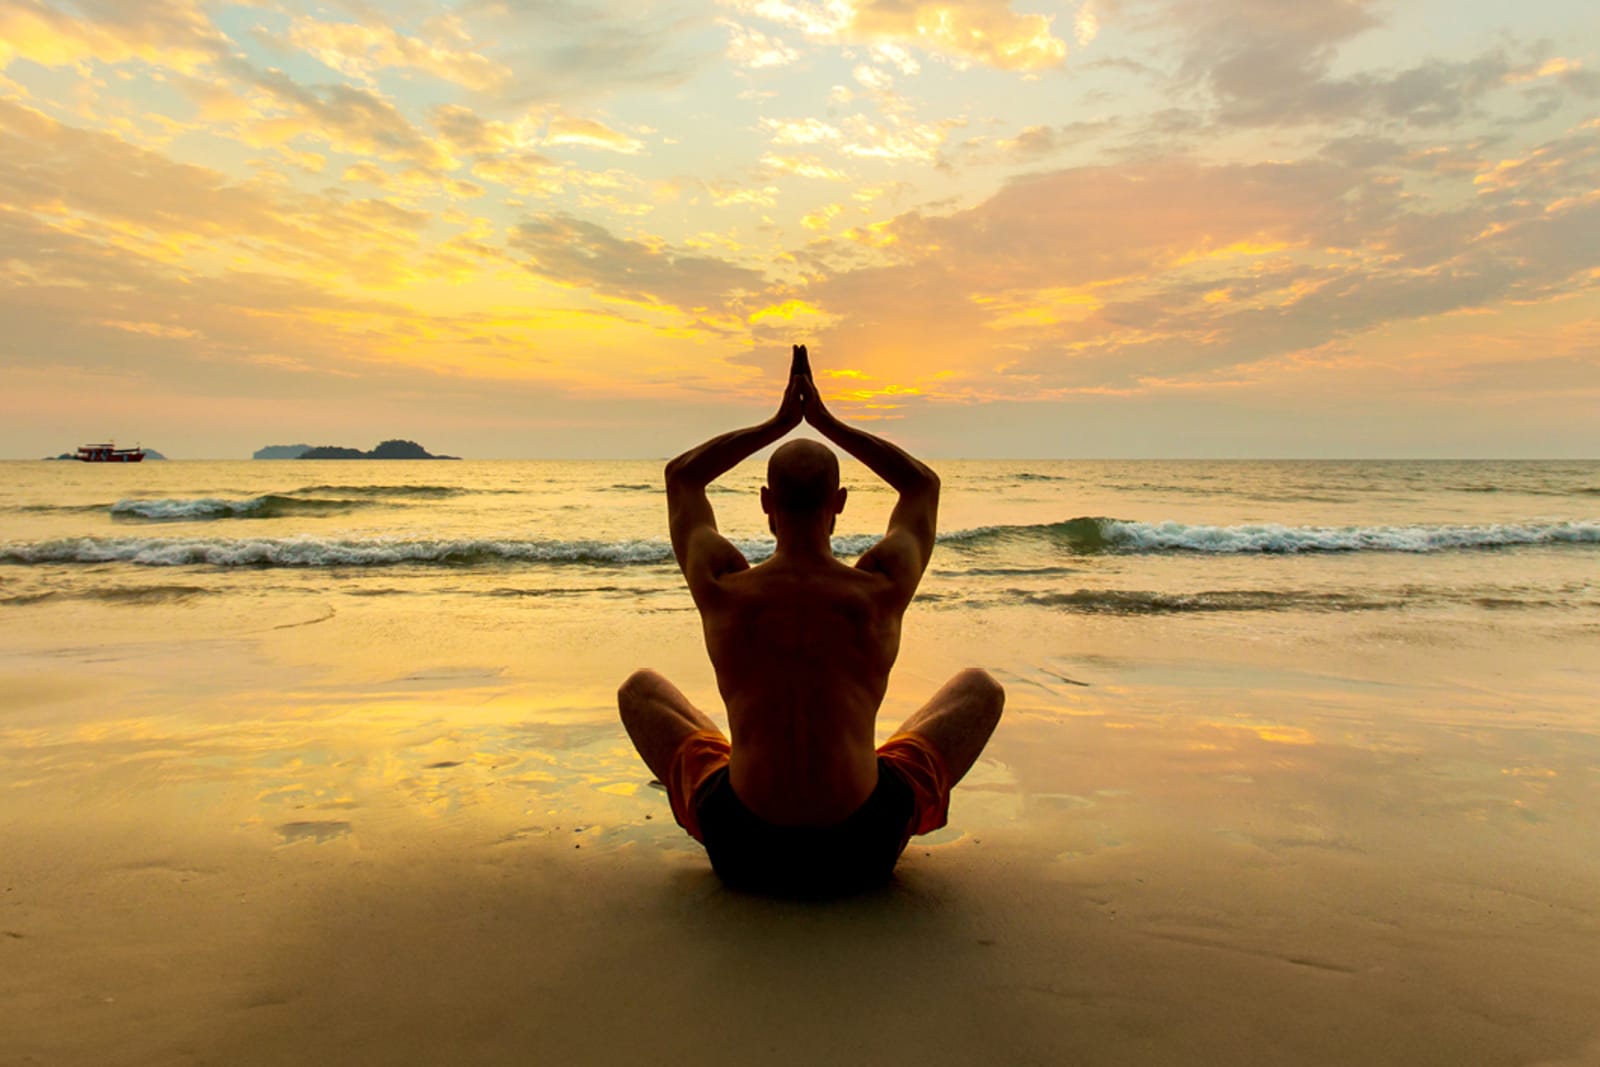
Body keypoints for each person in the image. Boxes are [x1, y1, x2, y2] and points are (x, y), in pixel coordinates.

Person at [618, 345, 1004, 894]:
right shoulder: (879, 588)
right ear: (840, 501)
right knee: (979, 690)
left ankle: (745, 770)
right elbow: (923, 486)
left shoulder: (724, 588)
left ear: (765, 501)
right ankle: (865, 779)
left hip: (743, 847)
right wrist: (827, 421)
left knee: (640, 691)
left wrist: (777, 424)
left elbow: (682, 478)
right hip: (862, 848)